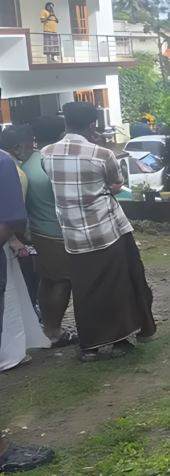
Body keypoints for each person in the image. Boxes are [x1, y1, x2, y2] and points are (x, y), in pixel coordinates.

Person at [41, 102, 157, 362]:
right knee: (118, 285)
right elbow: (116, 182)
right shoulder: (101, 154)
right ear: (92, 125)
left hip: (72, 234)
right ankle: (119, 343)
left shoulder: (46, 153)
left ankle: (89, 347)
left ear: (65, 122)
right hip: (106, 230)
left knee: (84, 290)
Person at [25, 116, 78, 347]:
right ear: (61, 134)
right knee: (64, 281)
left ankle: (48, 328)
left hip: (37, 231)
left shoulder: (27, 161)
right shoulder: (52, 161)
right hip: (57, 232)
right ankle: (54, 333)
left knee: (48, 281)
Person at [1, 145, 49, 372]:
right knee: (9, 298)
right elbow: (13, 217)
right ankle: (7, 352)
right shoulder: (4, 162)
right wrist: (14, 239)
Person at [0, 125, 38, 308]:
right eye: (31, 144)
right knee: (25, 292)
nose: (34, 149)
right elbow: (13, 215)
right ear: (17, 148)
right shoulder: (16, 172)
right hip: (15, 244)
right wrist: (18, 240)